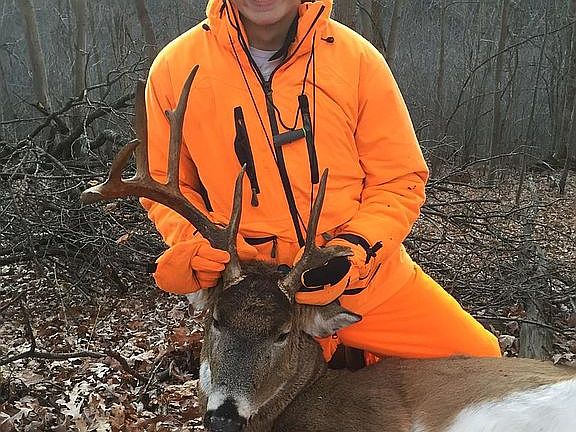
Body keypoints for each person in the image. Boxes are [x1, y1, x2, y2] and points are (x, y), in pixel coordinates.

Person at [142, 0, 501, 364]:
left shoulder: (356, 60)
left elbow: (398, 179)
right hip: (251, 295)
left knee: (482, 361)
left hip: (360, 281)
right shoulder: (175, 69)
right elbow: (164, 187)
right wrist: (198, 244)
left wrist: (353, 252)